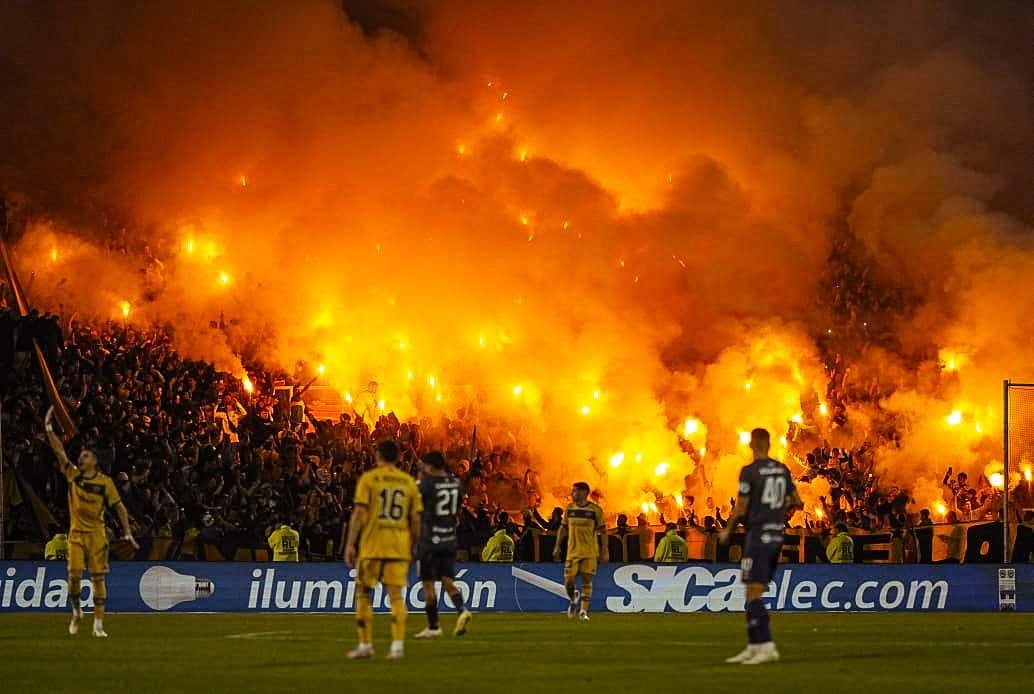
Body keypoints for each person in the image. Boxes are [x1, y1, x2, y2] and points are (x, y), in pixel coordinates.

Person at [45, 407, 138, 638]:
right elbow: (59, 452)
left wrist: (127, 532)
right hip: (76, 534)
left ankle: (98, 624)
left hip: (97, 535)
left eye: (86, 456)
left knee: (98, 578)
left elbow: (119, 507)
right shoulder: (73, 475)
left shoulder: (105, 482)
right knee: (74, 577)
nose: (81, 458)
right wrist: (49, 429)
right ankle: (77, 612)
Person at [719, 428, 802, 665]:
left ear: (752, 444)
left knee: (753, 593)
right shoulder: (782, 469)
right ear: (769, 443)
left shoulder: (750, 471)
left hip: (757, 536)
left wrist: (728, 529)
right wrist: (778, 511)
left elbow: (741, 507)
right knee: (751, 591)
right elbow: (797, 501)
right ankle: (753, 646)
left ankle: (766, 645)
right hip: (776, 535)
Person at [344, 439, 422, 660]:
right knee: (396, 596)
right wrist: (415, 544)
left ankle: (365, 644)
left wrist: (350, 543)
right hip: (398, 547)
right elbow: (416, 520)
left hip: (372, 545)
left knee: (363, 593)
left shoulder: (369, 479)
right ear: (398, 458)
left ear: (378, 455)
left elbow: (359, 514)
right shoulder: (408, 482)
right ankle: (397, 647)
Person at [413, 451, 472, 640]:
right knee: (447, 580)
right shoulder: (456, 484)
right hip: (449, 539)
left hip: (430, 540)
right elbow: (457, 509)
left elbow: (415, 504)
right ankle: (461, 609)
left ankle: (434, 626)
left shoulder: (426, 484)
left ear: (430, 466)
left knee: (428, 583)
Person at [552, 481, 607, 621]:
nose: (572, 493)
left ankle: (583, 611)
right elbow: (563, 528)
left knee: (587, 581)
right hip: (572, 552)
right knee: (568, 581)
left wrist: (604, 550)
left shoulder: (595, 510)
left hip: (590, 552)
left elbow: (603, 531)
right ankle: (573, 598)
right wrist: (557, 546)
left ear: (584, 493)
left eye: (575, 491)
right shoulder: (569, 509)